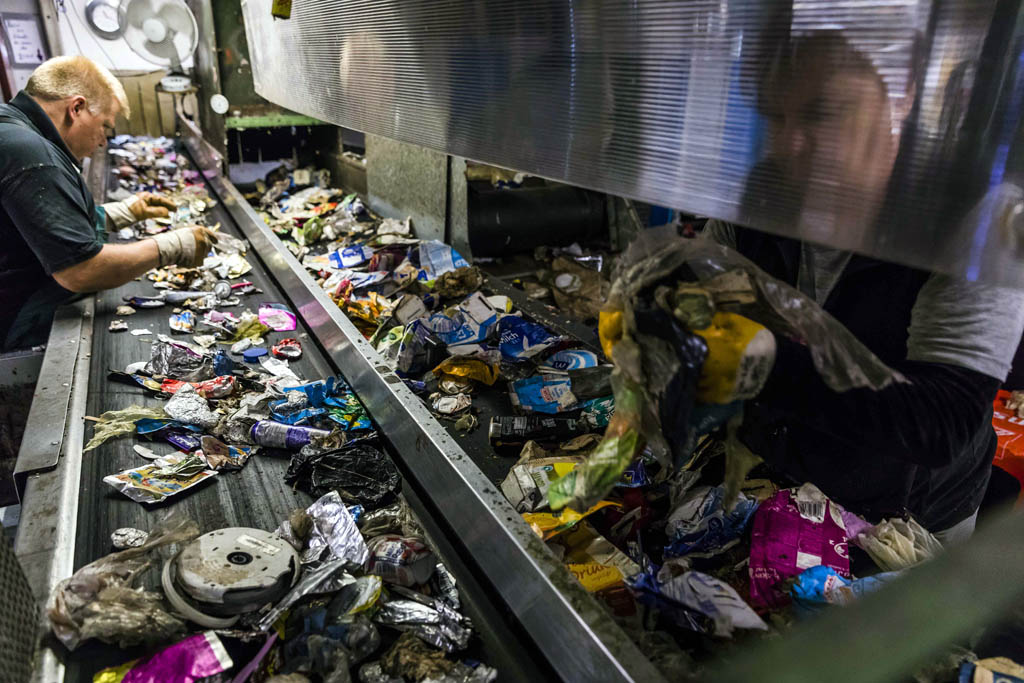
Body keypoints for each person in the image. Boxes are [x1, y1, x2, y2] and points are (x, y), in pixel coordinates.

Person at [703, 32, 1024, 544]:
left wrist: (766, 360)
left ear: (903, 95)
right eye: (776, 117)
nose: (789, 143)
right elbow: (707, 292)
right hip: (775, 475)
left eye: (821, 114)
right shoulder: (765, 189)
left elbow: (942, 421)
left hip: (905, 520)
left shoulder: (974, 218)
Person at [0, 55, 213, 351]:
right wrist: (170, 247)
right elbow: (81, 270)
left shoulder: (13, 127)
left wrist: (122, 213)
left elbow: (36, 224)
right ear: (76, 108)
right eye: (104, 126)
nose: (103, 141)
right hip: (13, 322)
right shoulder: (32, 155)